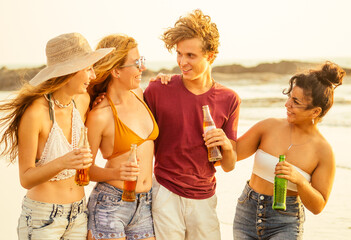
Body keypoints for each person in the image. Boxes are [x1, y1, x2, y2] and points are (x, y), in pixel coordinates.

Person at [0, 33, 114, 239]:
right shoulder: (35, 113)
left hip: (79, 214)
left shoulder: (82, 101)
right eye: (88, 68)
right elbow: (25, 178)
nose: (93, 75)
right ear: (69, 72)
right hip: (43, 219)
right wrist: (63, 162)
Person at [217, 61, 344, 239]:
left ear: (315, 111)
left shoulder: (323, 152)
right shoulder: (268, 126)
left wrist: (300, 181)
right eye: (289, 97)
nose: (287, 104)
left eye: (296, 102)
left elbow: (318, 206)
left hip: (285, 222)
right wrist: (222, 139)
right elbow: (230, 156)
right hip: (247, 213)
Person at [143, 9, 241, 240]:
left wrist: (226, 145)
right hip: (165, 192)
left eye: (190, 55)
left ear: (211, 56)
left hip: (205, 197)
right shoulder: (158, 90)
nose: (182, 62)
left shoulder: (230, 99)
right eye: (179, 54)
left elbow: (228, 165)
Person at [85, 34, 157, 240]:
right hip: (110, 205)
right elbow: (84, 171)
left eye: (141, 60)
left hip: (144, 204)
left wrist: (165, 78)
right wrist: (117, 172)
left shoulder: (140, 94)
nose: (142, 68)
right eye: (136, 63)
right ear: (116, 70)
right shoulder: (100, 115)